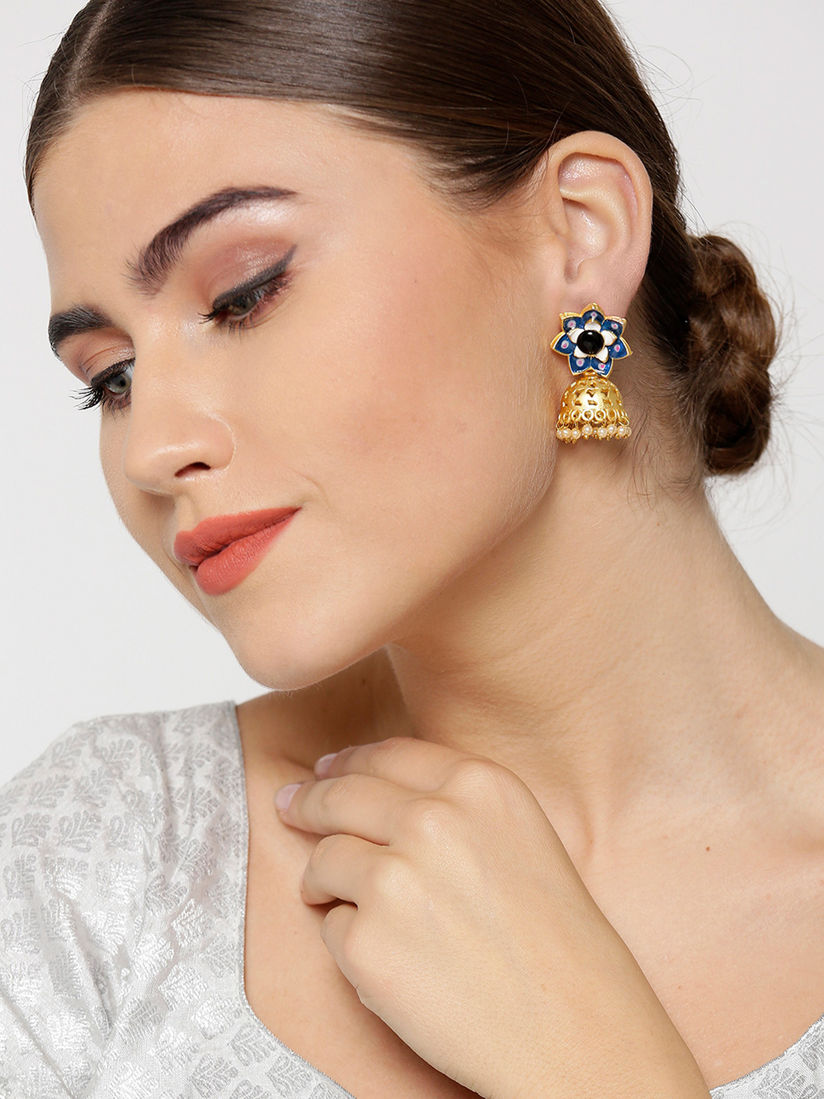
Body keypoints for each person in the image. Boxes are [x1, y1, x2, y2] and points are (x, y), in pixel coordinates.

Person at [3, 0, 823, 1096]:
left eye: (244, 295)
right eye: (111, 377)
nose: (153, 446)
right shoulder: (97, 867)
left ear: (578, 235)